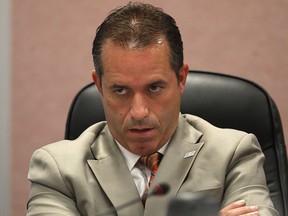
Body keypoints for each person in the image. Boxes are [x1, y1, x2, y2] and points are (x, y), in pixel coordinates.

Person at [27, 2, 278, 216]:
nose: (139, 112)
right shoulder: (57, 169)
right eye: (120, 90)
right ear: (99, 85)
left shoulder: (233, 153)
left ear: (181, 79)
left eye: (154, 88)